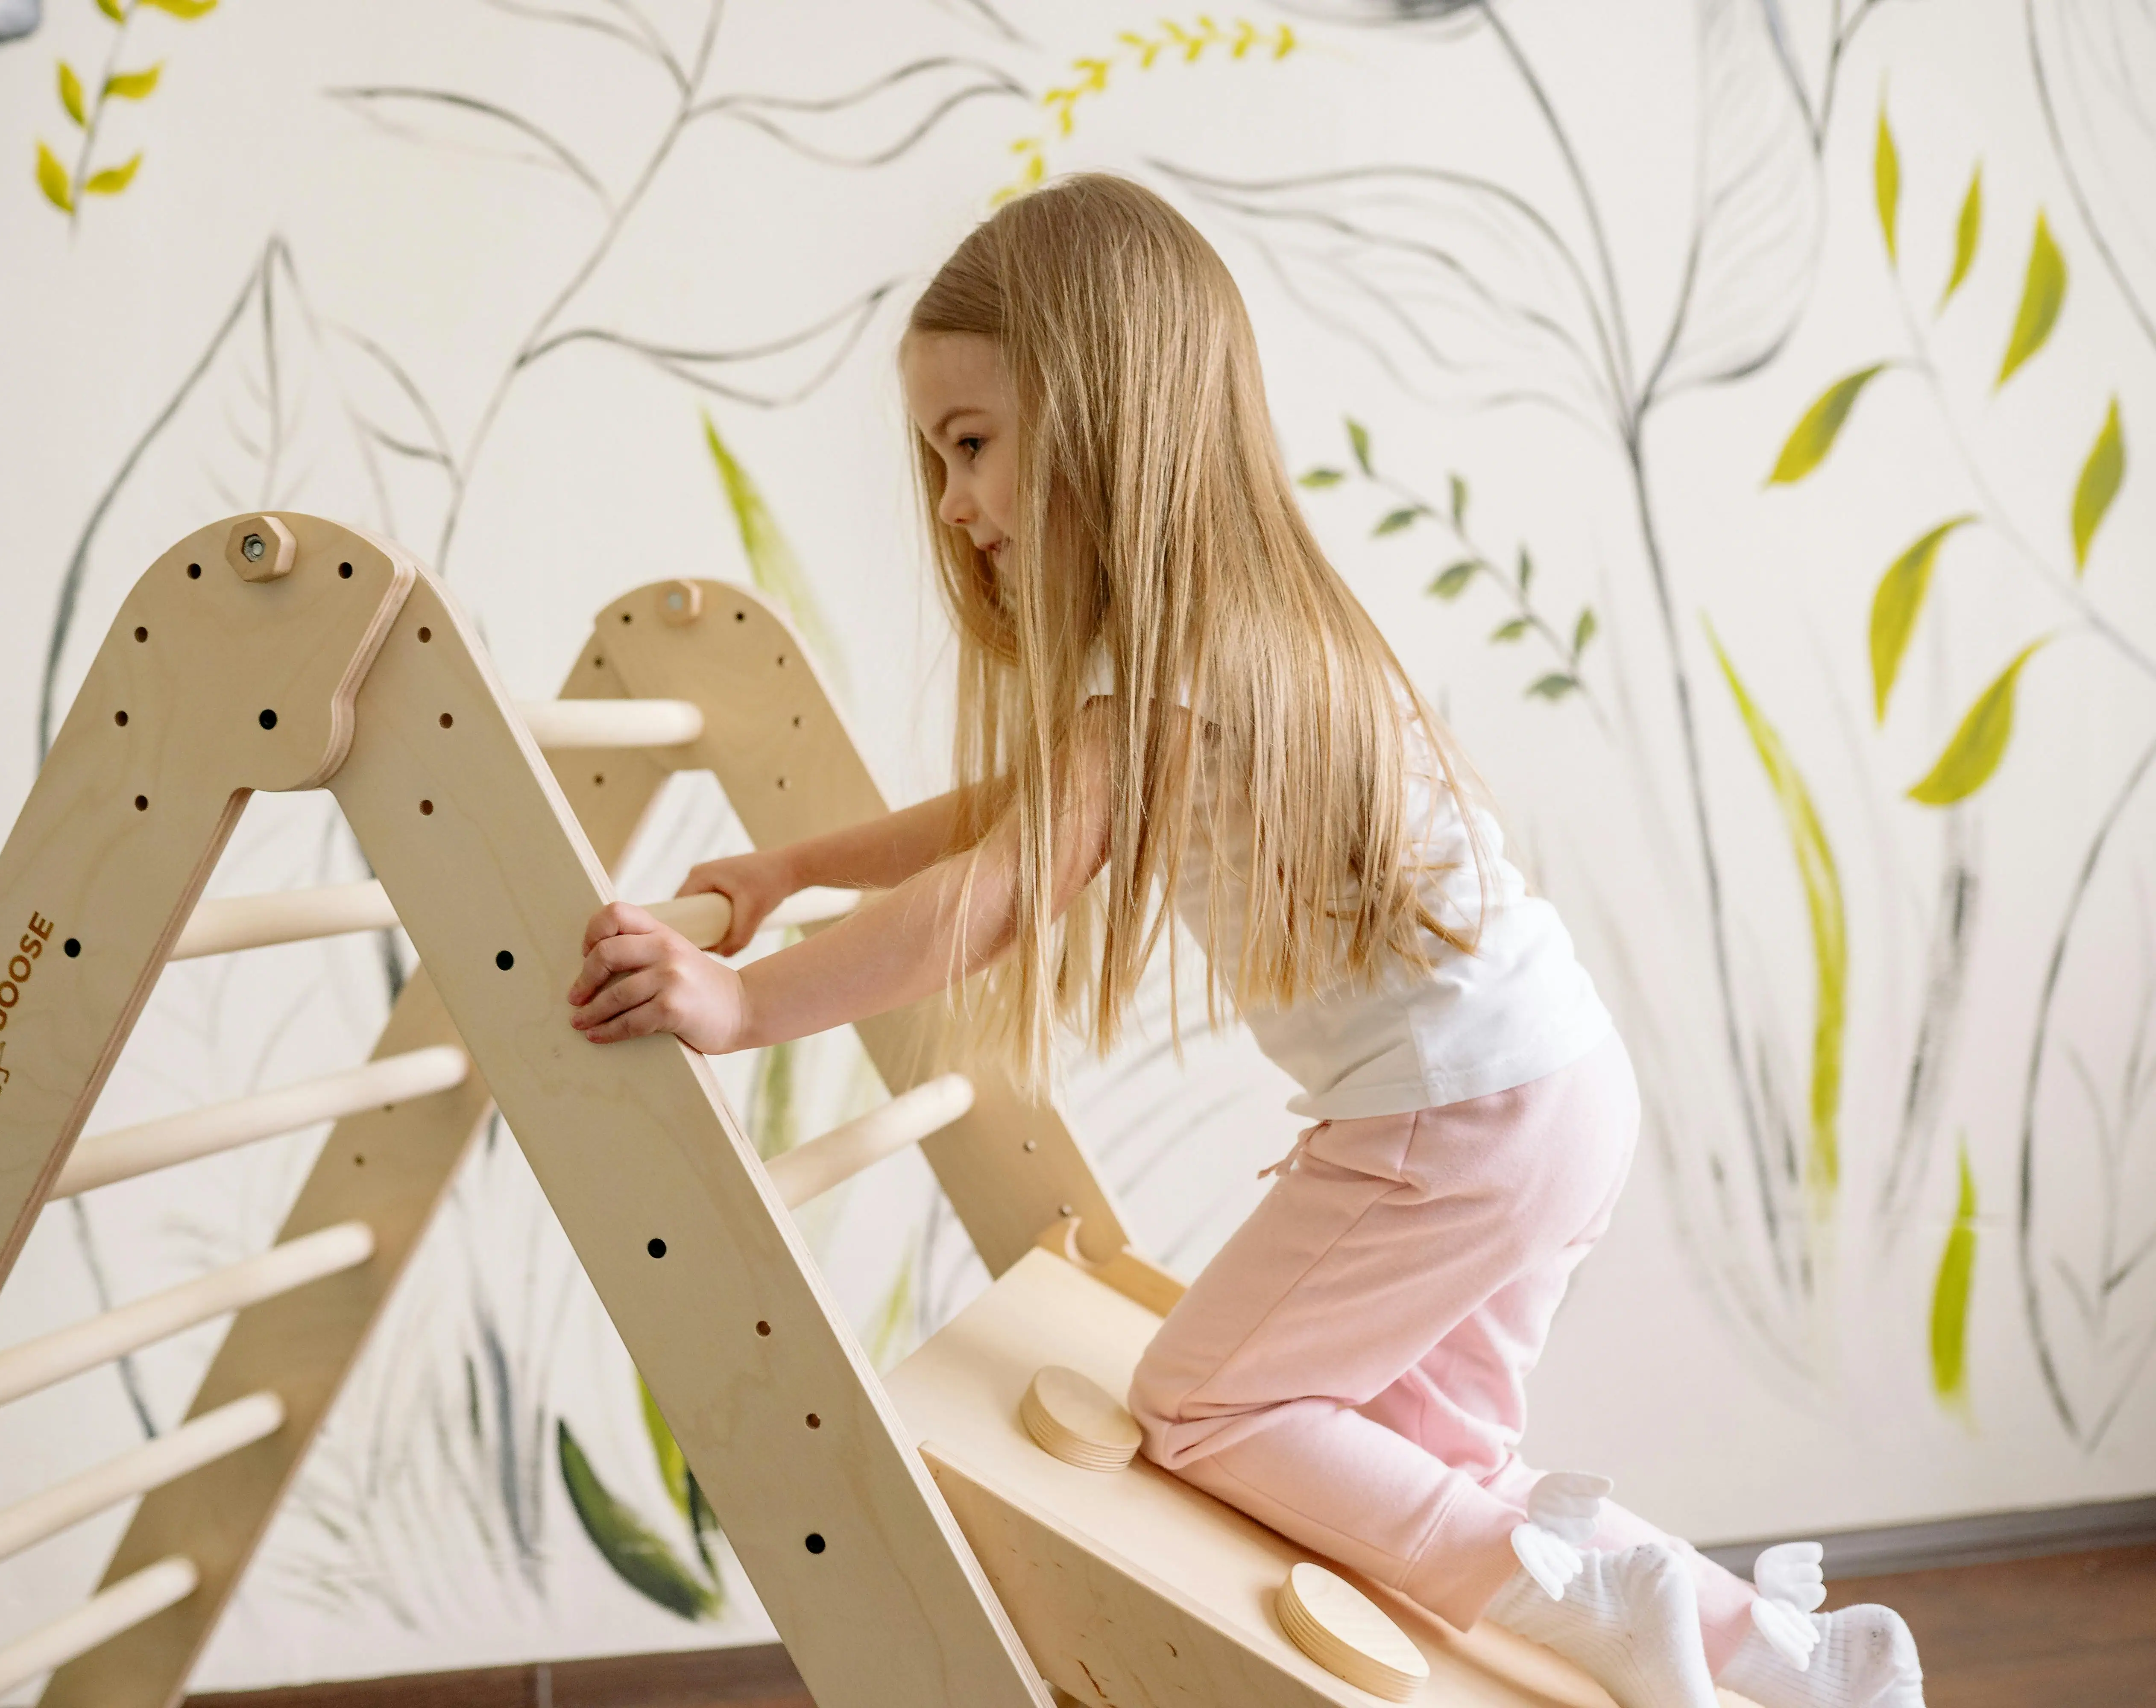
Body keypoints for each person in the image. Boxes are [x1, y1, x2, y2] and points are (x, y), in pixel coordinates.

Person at [562, 173, 1922, 1708]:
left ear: (1103, 414)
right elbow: (1014, 810)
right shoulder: (1258, 631)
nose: (952, 503)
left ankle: (1626, 1607)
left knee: (1202, 1410)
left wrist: (739, 1005)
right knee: (1426, 1475)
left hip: (1447, 1122)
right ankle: (1795, 1663)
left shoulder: (1178, 676)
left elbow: (997, 894)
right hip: (1554, 1087)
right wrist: (794, 865)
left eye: (971, 447)